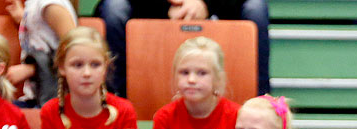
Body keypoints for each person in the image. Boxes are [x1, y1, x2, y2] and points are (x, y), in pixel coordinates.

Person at [95, 0, 270, 98]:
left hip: (214, 5)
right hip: (148, 5)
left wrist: (205, 5)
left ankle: (260, 103)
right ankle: (115, 101)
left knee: (256, 7)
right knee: (114, 8)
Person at [37, 26, 137, 129]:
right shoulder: (51, 111)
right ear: (62, 67)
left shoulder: (124, 111)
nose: (86, 73)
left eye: (95, 64)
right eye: (77, 65)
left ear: (105, 67)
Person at [5, 0, 78, 107]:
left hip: (55, 102)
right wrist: (23, 18)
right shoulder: (35, 4)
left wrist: (32, 69)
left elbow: (77, 52)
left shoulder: (51, 4)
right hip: (37, 97)